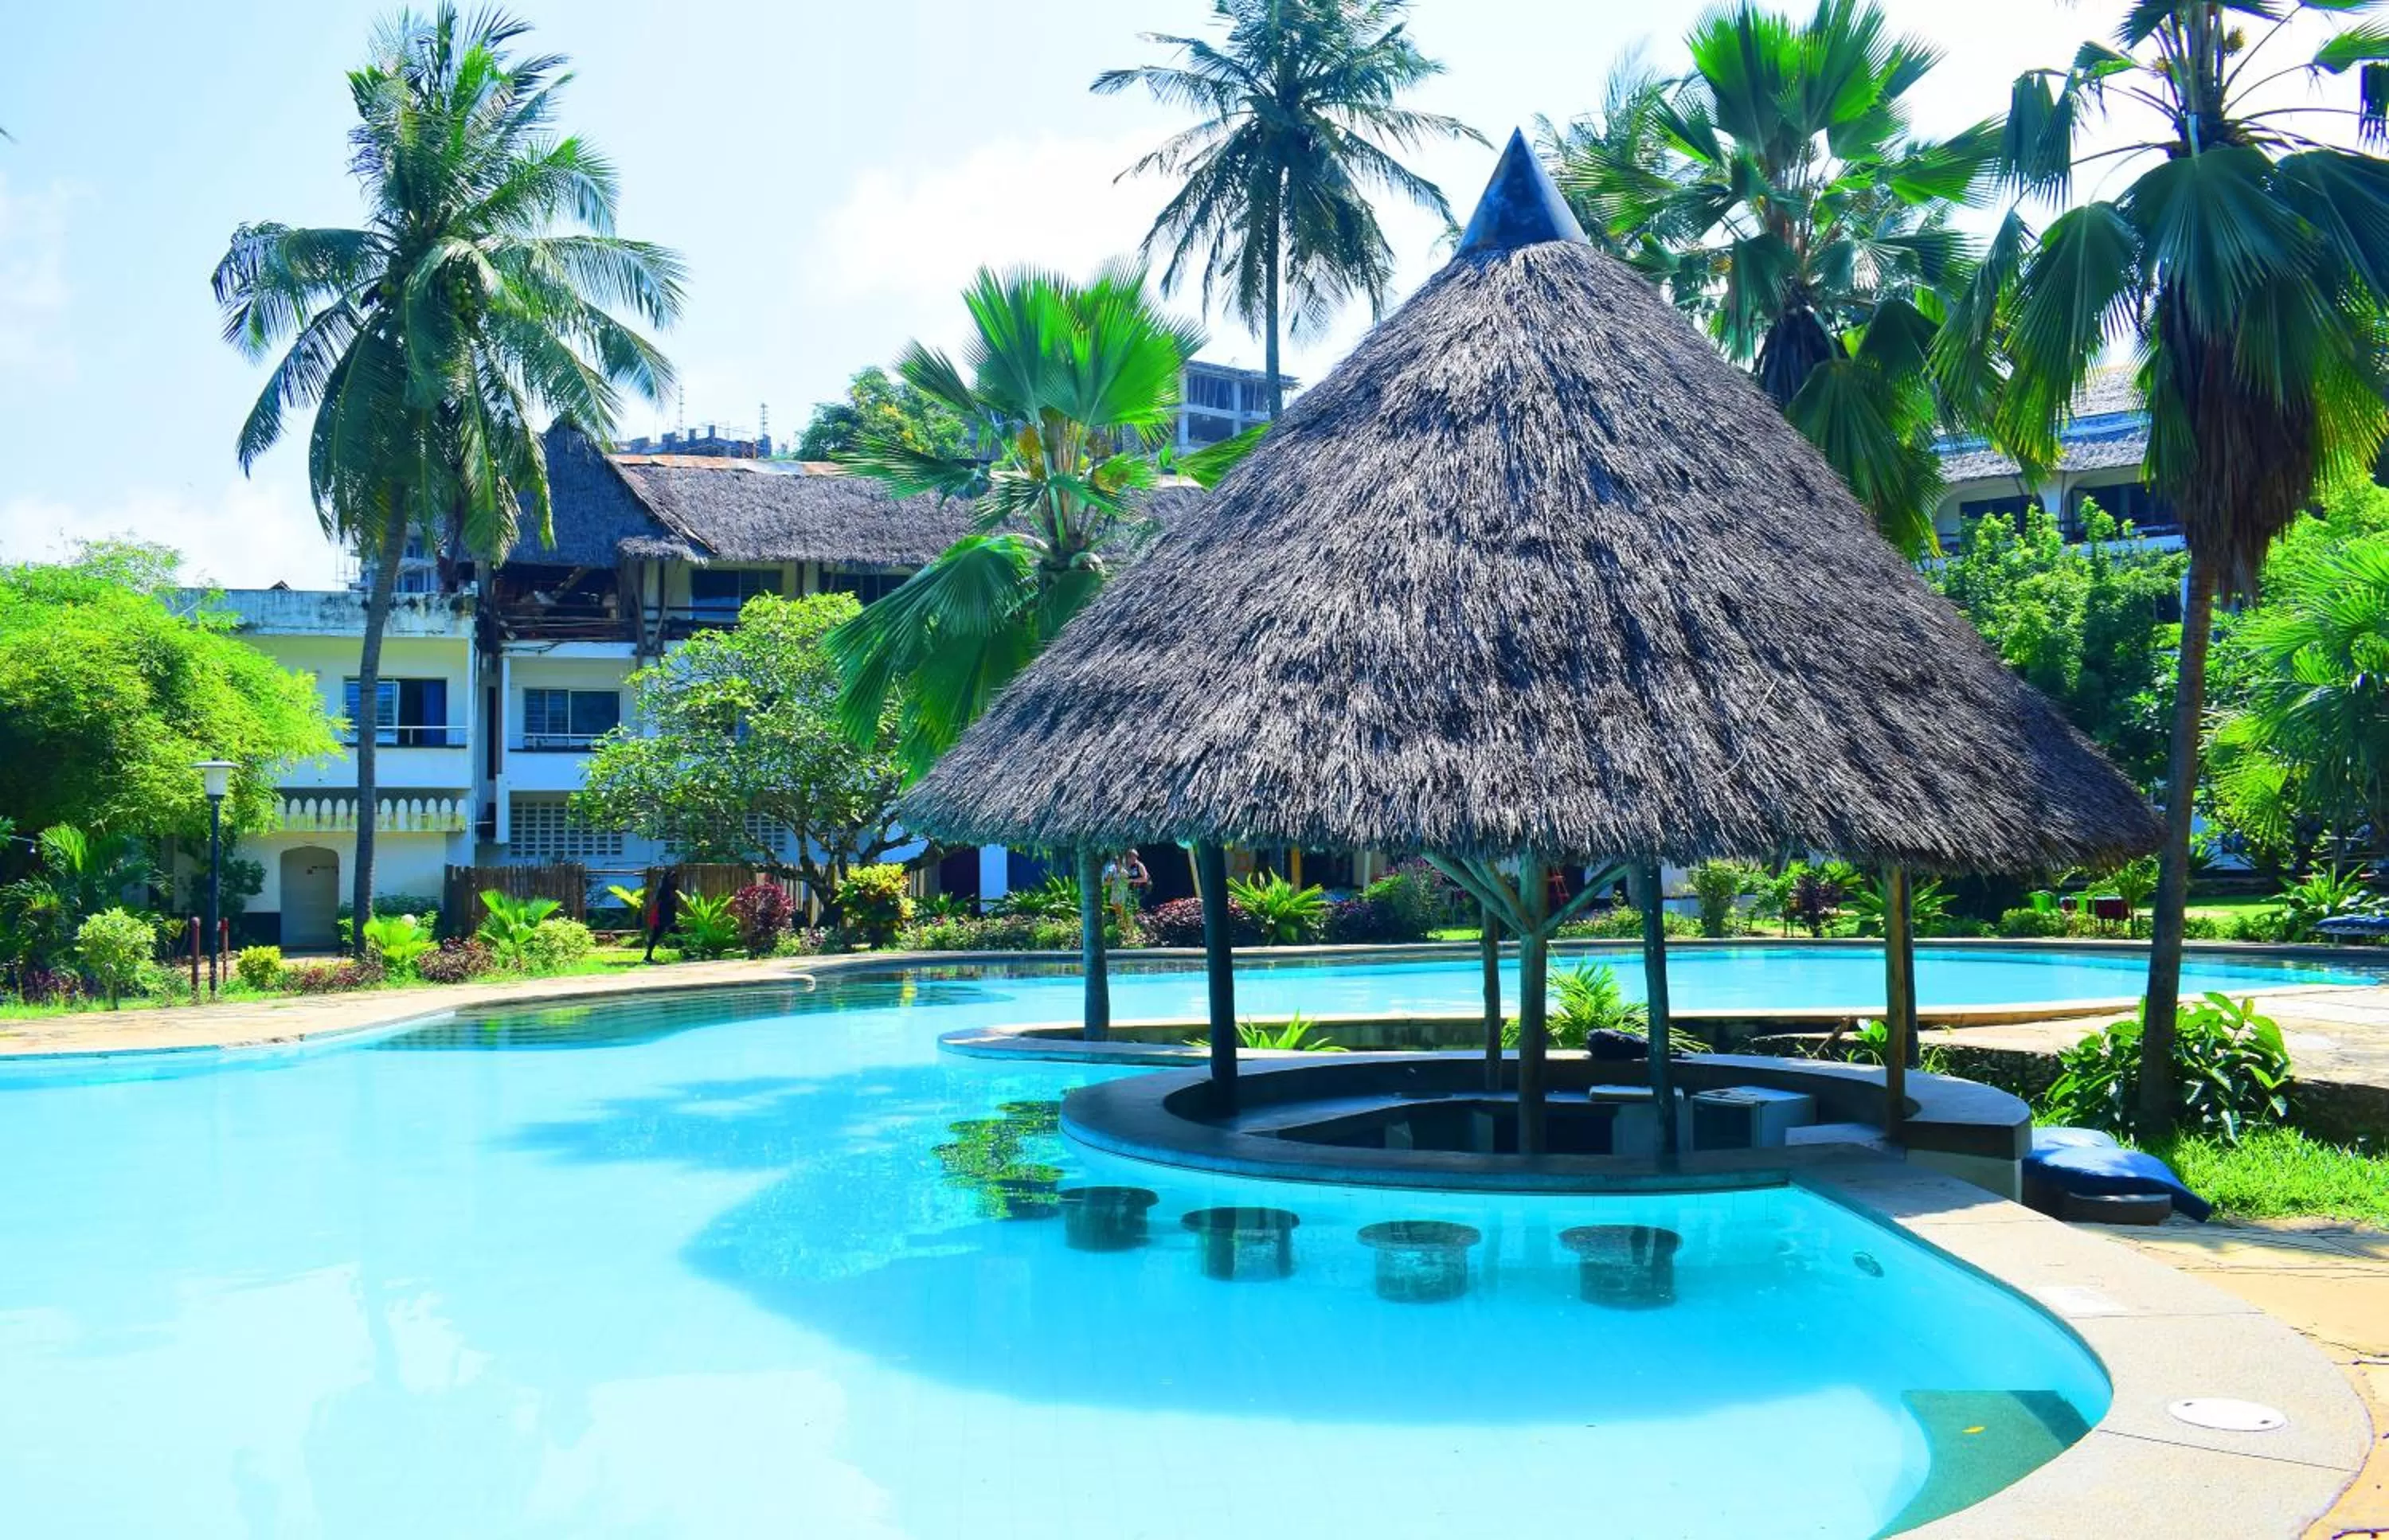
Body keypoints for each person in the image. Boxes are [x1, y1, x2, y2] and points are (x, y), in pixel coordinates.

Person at [643, 869, 682, 963]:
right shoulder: (664, 889)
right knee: (656, 936)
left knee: (677, 935)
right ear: (668, 879)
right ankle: (648, 956)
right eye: (672, 878)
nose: (674, 880)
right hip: (662, 916)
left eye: (675, 878)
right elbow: (658, 902)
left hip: (670, 915)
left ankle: (686, 953)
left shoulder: (673, 889)